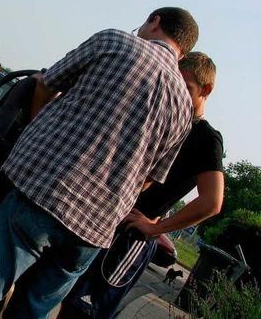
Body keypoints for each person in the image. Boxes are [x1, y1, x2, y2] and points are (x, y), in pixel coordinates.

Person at [0, 7, 199, 318]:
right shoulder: (184, 107)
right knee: (33, 311)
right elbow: (150, 178)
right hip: (94, 231)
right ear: (182, 53)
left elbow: (46, 83)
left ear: (155, 21)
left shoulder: (115, 42)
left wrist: (37, 125)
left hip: (45, 193)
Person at [56, 51, 224, 319]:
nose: (178, 94)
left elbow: (212, 202)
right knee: (65, 299)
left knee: (85, 311)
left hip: (130, 237)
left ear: (206, 90)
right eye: (176, 85)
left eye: (187, 88)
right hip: (101, 221)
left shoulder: (205, 138)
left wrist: (156, 228)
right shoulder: (163, 118)